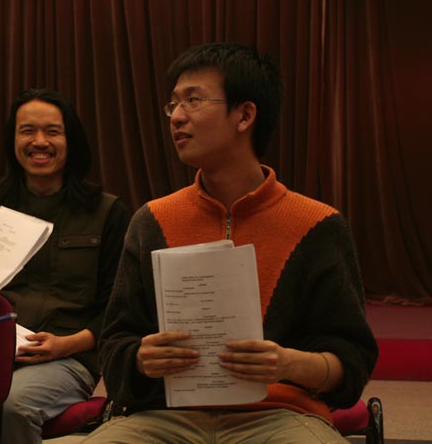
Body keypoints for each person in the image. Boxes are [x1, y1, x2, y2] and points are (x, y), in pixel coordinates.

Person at [82, 43, 378, 444]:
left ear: (245, 115)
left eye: (193, 100)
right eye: (173, 104)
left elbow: (352, 362)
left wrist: (288, 363)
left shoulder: (317, 225)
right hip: (162, 417)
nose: (177, 117)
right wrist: (140, 359)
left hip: (280, 416)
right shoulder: (151, 220)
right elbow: (115, 344)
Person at [0, 88, 130, 444]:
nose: (40, 141)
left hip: (68, 357)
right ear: (12, 140)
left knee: (12, 406)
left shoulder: (108, 212)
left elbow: (117, 306)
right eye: (27, 131)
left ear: (71, 140)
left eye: (53, 131)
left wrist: (66, 345)